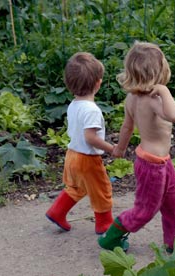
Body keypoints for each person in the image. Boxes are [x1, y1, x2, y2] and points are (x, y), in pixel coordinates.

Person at [98, 42, 175, 252]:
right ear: (158, 72)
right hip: (152, 167)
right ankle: (111, 238)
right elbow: (174, 115)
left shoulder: (132, 98)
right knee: (144, 211)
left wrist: (120, 149)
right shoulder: (153, 99)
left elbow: (126, 127)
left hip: (161, 163)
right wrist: (165, 91)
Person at [46, 52, 115, 235]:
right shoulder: (91, 110)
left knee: (77, 187)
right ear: (98, 83)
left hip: (72, 155)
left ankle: (57, 212)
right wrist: (111, 148)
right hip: (87, 159)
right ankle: (104, 225)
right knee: (102, 190)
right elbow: (90, 138)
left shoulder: (73, 105)